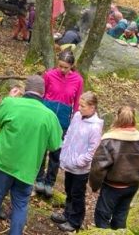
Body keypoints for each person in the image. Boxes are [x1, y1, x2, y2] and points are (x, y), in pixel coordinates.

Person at [0, 76, 63, 235]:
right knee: (21, 205)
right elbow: (54, 145)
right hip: (27, 169)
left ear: (24, 89)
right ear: (43, 93)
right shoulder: (50, 116)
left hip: (2, 162)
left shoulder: (11, 103)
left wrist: (9, 98)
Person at [90, 106, 139, 230]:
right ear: (134, 119)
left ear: (117, 118)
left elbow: (98, 167)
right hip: (132, 186)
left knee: (102, 216)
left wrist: (95, 185)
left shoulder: (109, 139)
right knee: (121, 216)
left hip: (111, 186)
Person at [51, 92, 104, 232]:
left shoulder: (95, 126)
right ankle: (67, 214)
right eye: (79, 105)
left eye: (83, 106)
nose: (79, 108)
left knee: (77, 194)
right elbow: (69, 134)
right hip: (69, 162)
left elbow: (93, 150)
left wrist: (79, 161)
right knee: (68, 190)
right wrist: (64, 153)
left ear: (92, 107)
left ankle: (75, 221)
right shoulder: (77, 116)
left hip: (81, 168)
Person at [36, 50, 84, 197]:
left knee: (56, 152)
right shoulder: (49, 75)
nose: (62, 70)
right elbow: (42, 94)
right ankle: (38, 179)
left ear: (72, 66)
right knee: (42, 149)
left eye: (66, 67)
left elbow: (76, 103)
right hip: (46, 116)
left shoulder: (78, 80)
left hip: (63, 120)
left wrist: (75, 121)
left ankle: (50, 182)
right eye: (60, 66)